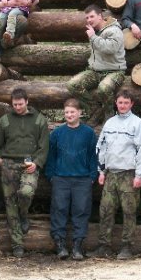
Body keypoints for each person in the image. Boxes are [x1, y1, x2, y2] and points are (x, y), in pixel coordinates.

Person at [89, 90, 141, 260]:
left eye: (126, 102)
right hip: (111, 174)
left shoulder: (137, 124)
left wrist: (139, 175)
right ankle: (104, 245)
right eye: (120, 102)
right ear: (116, 103)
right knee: (106, 210)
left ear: (131, 104)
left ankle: (127, 247)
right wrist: (101, 171)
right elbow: (101, 148)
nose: (123, 105)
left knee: (129, 211)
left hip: (128, 174)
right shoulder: (109, 123)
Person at [0, 88, 49, 258]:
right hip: (8, 164)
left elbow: (44, 147)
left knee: (26, 192)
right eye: (14, 104)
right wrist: (0, 160)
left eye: (20, 104)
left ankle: (24, 214)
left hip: (28, 164)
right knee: (10, 203)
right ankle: (17, 245)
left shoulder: (39, 120)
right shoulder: (5, 121)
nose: (17, 107)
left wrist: (37, 163)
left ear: (27, 101)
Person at [45, 98, 97, 261]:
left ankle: (77, 246)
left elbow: (93, 156)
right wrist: (51, 176)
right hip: (61, 178)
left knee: (81, 211)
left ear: (80, 113)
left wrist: (92, 176)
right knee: (59, 209)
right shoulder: (57, 133)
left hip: (82, 179)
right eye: (66, 112)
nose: (69, 115)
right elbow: (51, 157)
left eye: (72, 112)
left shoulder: (88, 133)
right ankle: (60, 245)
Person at [67, 4, 126, 126]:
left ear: (100, 16)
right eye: (87, 18)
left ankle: (109, 116)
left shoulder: (114, 30)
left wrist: (93, 37)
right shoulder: (97, 32)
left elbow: (110, 48)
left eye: (92, 16)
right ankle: (95, 109)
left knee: (104, 88)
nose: (89, 20)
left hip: (115, 71)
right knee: (73, 85)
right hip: (95, 71)